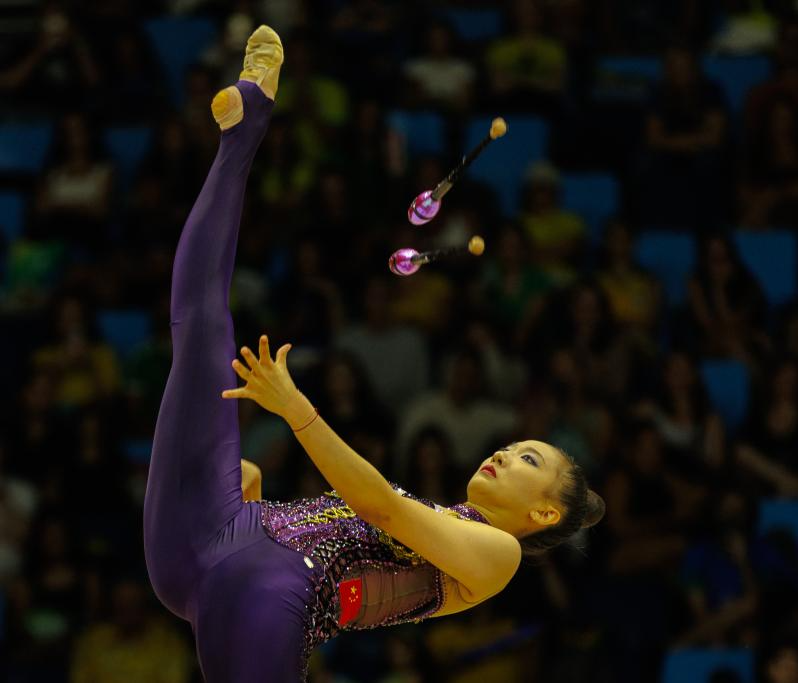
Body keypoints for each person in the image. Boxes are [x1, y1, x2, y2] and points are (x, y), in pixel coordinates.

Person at [142, 27, 604, 682]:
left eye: (529, 459)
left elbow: (382, 508)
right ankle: (246, 128)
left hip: (271, 595)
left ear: (545, 514)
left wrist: (297, 410)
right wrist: (253, 499)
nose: (505, 452)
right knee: (202, 327)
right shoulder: (447, 517)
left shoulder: (497, 557)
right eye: (516, 446)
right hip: (206, 536)